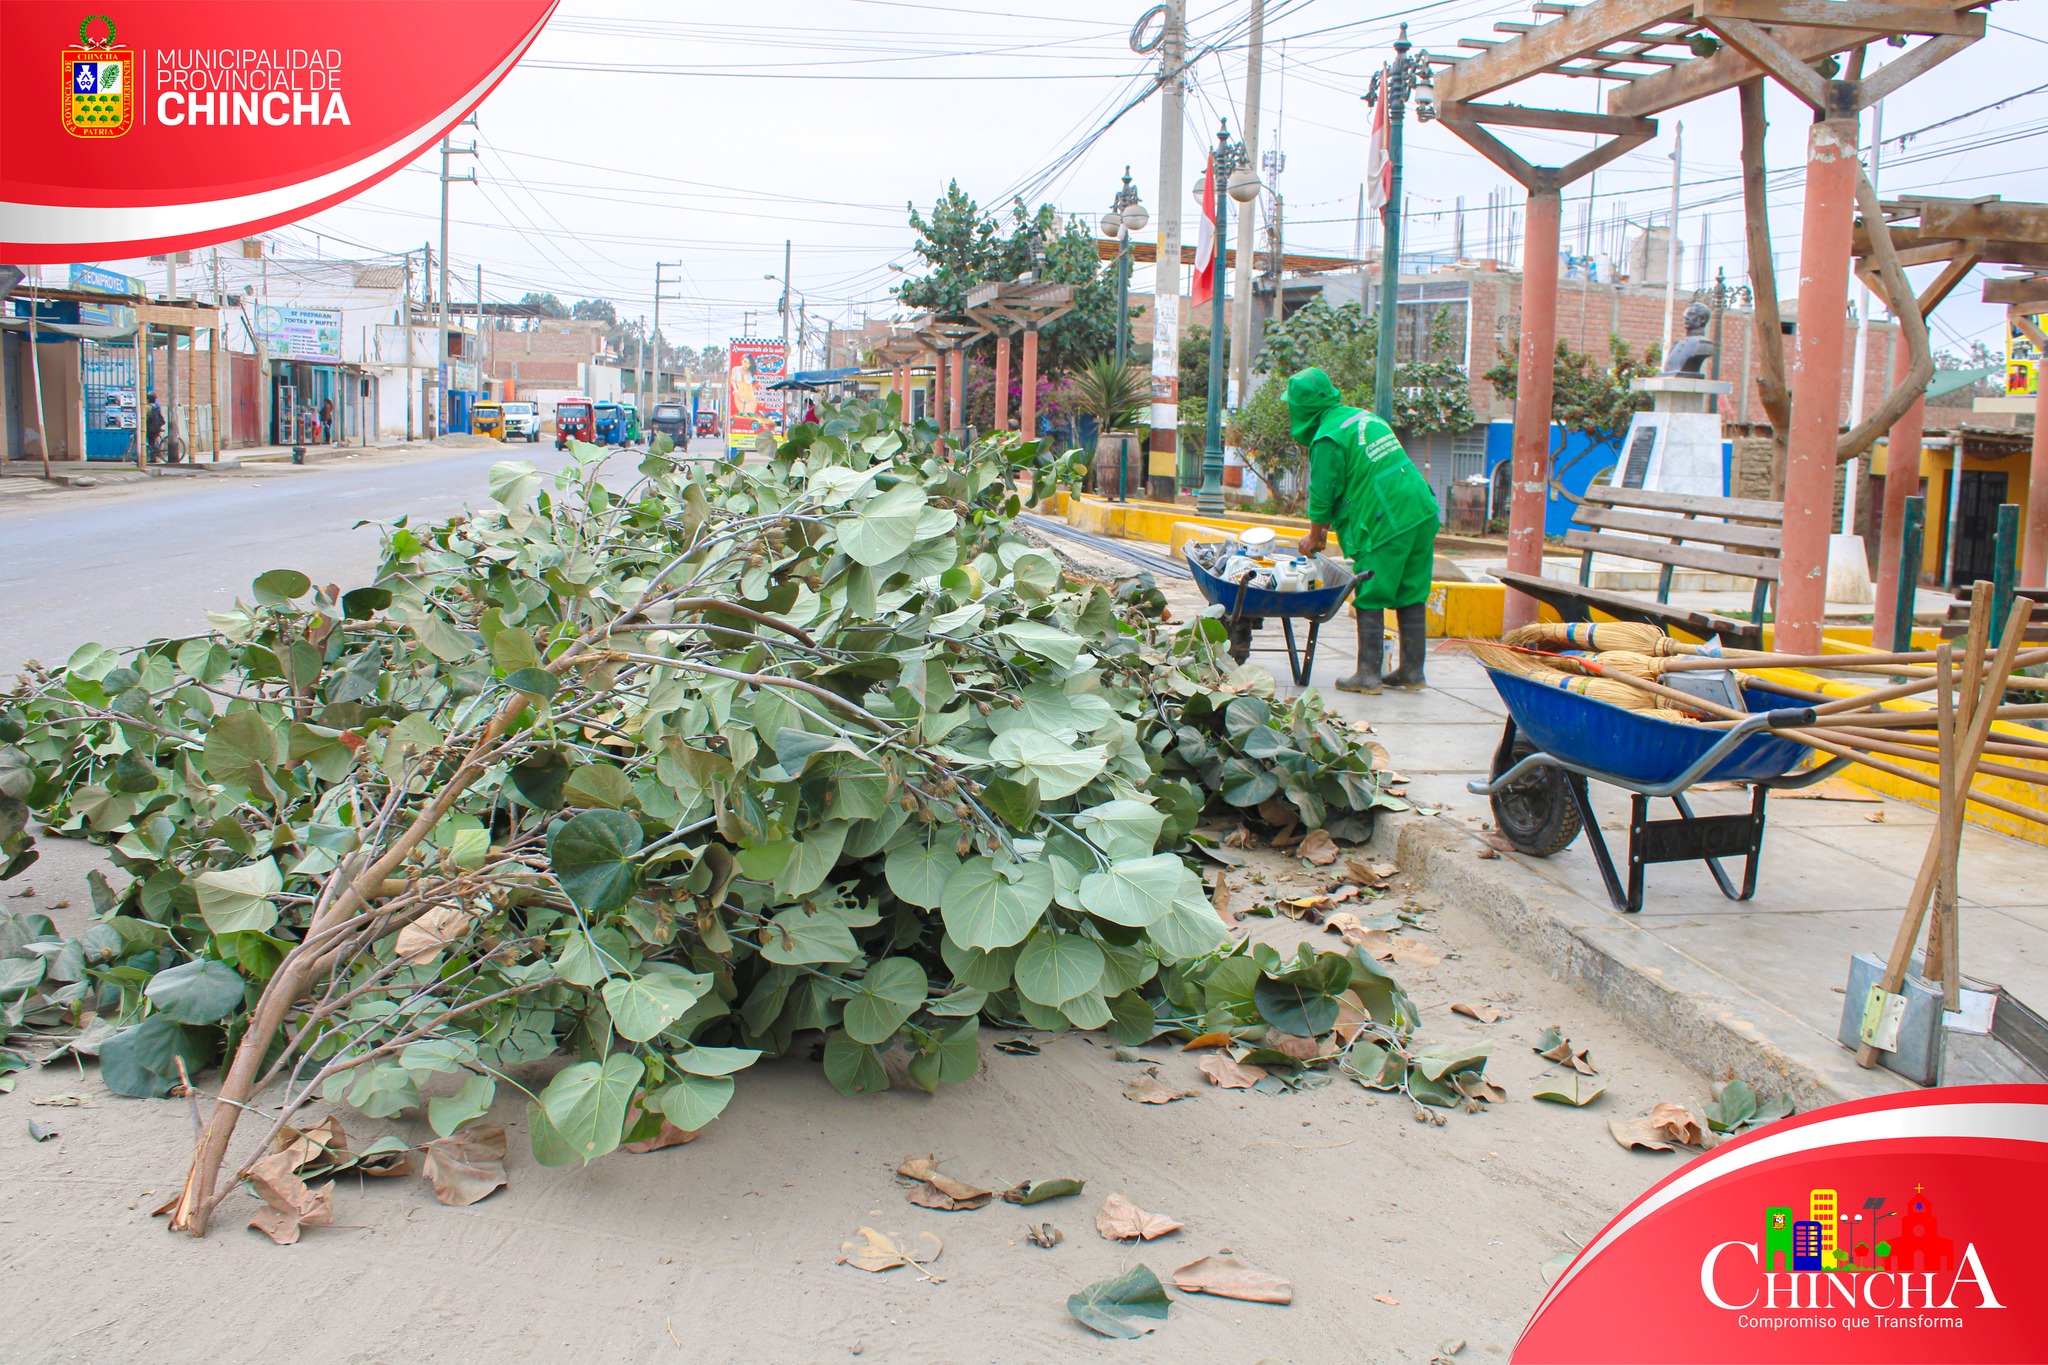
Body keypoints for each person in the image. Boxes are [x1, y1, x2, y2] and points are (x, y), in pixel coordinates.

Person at [1286, 366, 1440, 693]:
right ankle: (1412, 672)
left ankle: (1368, 675)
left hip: (1387, 516)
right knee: (1411, 589)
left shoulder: (1327, 437)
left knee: (1371, 588)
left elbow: (1323, 493)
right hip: (1420, 509)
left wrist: (1314, 536)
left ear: (1302, 407)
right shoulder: (1362, 417)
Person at [144, 391, 164, 463]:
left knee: (151, 443)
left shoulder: (147, 407)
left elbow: (145, 417)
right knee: (153, 442)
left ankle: (154, 457)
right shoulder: (156, 406)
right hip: (156, 427)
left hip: (151, 428)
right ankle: (155, 456)